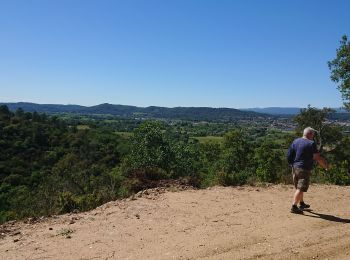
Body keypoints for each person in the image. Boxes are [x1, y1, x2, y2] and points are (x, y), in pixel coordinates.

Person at [287, 127, 329, 214]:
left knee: (299, 187)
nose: (313, 136)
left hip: (295, 167)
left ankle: (301, 203)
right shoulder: (311, 143)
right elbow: (317, 157)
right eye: (313, 134)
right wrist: (325, 166)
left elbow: (289, 154)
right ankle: (294, 206)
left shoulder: (296, 141)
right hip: (304, 168)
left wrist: (292, 164)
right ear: (310, 134)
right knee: (301, 188)